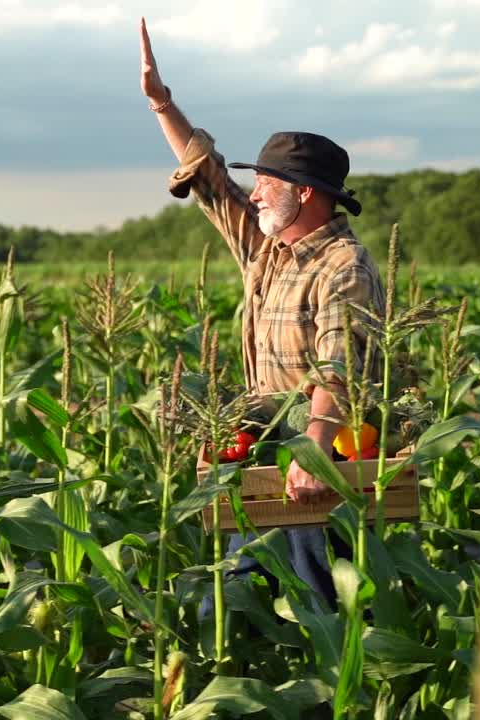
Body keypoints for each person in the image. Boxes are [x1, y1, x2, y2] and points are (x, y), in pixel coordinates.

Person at [139, 18, 385, 609]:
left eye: (267, 183)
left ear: (303, 193)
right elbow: (211, 182)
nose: (254, 194)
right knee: (237, 601)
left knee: (322, 603)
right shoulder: (267, 250)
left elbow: (339, 363)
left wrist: (317, 447)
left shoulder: (342, 265)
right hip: (264, 450)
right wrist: (162, 105)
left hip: (321, 463)